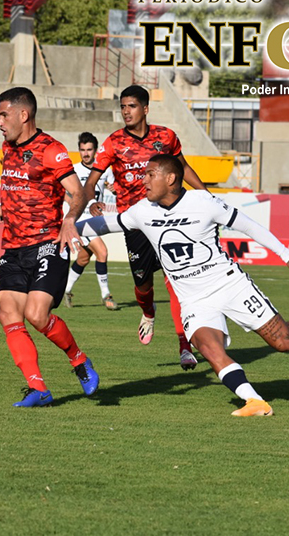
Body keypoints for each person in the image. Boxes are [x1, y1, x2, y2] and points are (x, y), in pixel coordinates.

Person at [78, 155, 289, 416]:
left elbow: (248, 225)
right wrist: (67, 228)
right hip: (193, 300)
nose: (144, 181)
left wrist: (286, 254)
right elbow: (105, 224)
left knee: (284, 343)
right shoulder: (142, 211)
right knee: (209, 348)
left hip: (229, 285)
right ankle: (254, 400)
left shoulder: (203, 202)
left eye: (151, 174)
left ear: (171, 178)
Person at [0, 87, 99, 407]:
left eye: (3, 115)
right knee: (8, 313)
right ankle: (38, 389)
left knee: (36, 315)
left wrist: (69, 220)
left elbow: (78, 192)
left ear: (24, 115)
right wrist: (3, 209)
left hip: (48, 243)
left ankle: (78, 360)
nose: (0, 122)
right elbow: (22, 189)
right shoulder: (8, 148)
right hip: (13, 247)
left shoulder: (51, 150)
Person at [80, 84, 206, 371]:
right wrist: (91, 202)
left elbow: (183, 169)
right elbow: (91, 180)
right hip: (136, 225)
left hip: (169, 220)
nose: (126, 111)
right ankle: (148, 313)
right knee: (142, 284)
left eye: (132, 106)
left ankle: (184, 345)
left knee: (175, 281)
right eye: (123, 106)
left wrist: (206, 195)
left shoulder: (166, 137)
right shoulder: (112, 142)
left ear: (145, 109)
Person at [63, 132, 118, 311]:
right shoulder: (74, 170)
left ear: (95, 150)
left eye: (89, 150)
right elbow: (60, 189)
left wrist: (114, 188)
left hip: (96, 221)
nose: (85, 153)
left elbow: (115, 188)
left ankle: (66, 290)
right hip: (81, 220)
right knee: (102, 252)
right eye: (82, 150)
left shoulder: (105, 170)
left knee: (84, 258)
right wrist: (70, 200)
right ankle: (106, 295)